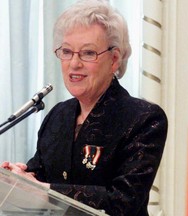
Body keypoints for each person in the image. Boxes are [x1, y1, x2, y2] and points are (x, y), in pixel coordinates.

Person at [1, 0, 168, 215]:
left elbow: (124, 200)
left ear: (114, 59)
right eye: (67, 51)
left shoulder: (144, 118)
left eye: (88, 53)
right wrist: (16, 178)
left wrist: (46, 190)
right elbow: (39, 177)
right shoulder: (58, 115)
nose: (74, 63)